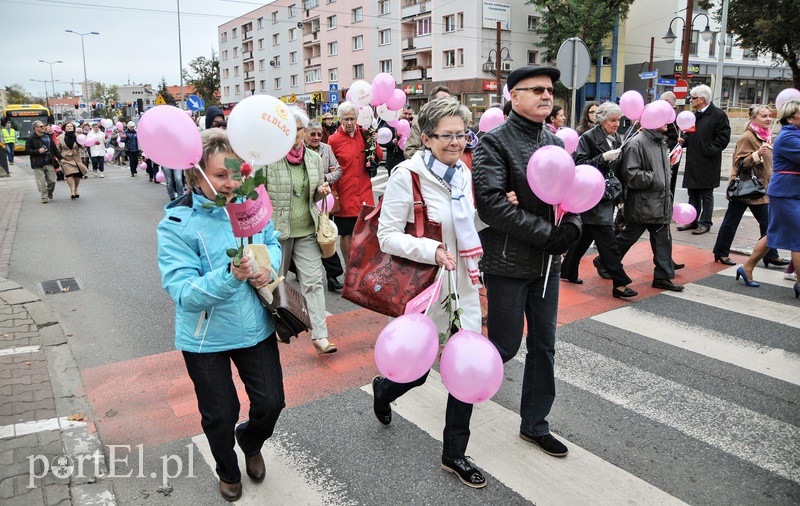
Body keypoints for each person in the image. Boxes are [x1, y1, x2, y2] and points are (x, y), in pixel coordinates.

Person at [157, 128, 284, 502]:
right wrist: (230, 276)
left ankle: (251, 439)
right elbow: (181, 291)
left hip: (255, 327)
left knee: (271, 403)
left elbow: (273, 244)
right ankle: (227, 471)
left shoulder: (252, 206)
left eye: (238, 173)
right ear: (197, 175)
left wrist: (268, 268)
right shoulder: (176, 225)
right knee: (220, 414)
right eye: (221, 175)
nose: (233, 183)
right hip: (204, 337)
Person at [372, 97, 488, 488]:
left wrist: (490, 214)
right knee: (418, 372)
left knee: (466, 369)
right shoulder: (408, 175)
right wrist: (431, 250)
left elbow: (466, 225)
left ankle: (454, 453)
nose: (456, 142)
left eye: (462, 134)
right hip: (428, 288)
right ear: (426, 137)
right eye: (447, 136)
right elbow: (386, 236)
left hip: (465, 285)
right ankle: (385, 388)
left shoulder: (463, 173)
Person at [474, 66, 581, 458]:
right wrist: (548, 234)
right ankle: (451, 394)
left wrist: (572, 226)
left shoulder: (556, 141)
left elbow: (574, 192)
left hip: (547, 267)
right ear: (513, 96)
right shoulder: (494, 143)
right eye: (535, 89)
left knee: (544, 345)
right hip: (508, 263)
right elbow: (494, 205)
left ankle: (535, 424)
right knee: (502, 348)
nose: (546, 96)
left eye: (550, 90)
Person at [265, 108, 336, 355]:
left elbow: (315, 191)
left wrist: (322, 190)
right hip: (277, 232)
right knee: (273, 284)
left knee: (314, 282)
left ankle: (320, 335)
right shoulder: (270, 159)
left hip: (307, 229)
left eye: (298, 129)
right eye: (289, 128)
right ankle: (268, 330)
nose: (294, 134)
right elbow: (259, 194)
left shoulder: (314, 159)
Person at [561, 102, 637, 298]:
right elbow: (579, 164)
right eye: (612, 120)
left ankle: (567, 270)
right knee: (608, 242)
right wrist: (603, 157)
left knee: (586, 234)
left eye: (618, 119)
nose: (617, 124)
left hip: (607, 195)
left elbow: (617, 171)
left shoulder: (616, 138)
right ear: (602, 120)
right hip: (593, 195)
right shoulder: (588, 137)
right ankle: (620, 283)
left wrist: (620, 195)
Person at [737, 99, 800, 299]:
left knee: (773, 234)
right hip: (785, 194)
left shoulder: (794, 134)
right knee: (797, 240)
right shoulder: (788, 137)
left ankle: (746, 267)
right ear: (791, 118)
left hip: (790, 192)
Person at [713, 105, 786, 267]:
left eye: (769, 115)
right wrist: (756, 155)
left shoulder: (765, 136)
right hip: (745, 188)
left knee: (767, 223)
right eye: (763, 116)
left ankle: (771, 255)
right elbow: (739, 163)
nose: (768, 119)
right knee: (731, 222)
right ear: (753, 119)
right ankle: (721, 252)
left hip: (760, 188)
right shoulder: (748, 137)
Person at [616, 122, 684, 292]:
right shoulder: (637, 142)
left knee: (663, 240)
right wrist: (655, 179)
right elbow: (630, 174)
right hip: (644, 203)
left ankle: (662, 276)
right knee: (628, 237)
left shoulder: (660, 142)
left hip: (658, 202)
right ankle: (605, 260)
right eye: (663, 120)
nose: (667, 123)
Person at [328, 101, 383, 266]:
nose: (350, 123)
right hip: (345, 193)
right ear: (340, 120)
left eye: (352, 119)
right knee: (346, 234)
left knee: (366, 233)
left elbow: (378, 156)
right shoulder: (334, 140)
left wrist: (374, 141)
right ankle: (349, 266)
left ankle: (364, 266)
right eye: (346, 119)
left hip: (365, 192)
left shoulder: (365, 134)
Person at [677, 84, 731, 235]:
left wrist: (709, 150)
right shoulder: (694, 115)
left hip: (708, 162)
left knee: (706, 195)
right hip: (693, 161)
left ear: (702, 99)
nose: (691, 100)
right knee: (692, 193)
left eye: (693, 98)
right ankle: (691, 221)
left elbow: (723, 138)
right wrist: (684, 141)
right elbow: (690, 134)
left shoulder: (718, 115)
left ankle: (705, 223)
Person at [305, 121, 344, 292]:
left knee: (326, 237)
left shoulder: (326, 149)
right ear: (305, 133)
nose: (316, 138)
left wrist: (324, 179)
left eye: (319, 134)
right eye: (312, 134)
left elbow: (338, 170)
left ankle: (332, 276)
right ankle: (297, 268)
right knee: (305, 239)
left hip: (323, 201)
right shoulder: (298, 150)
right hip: (304, 201)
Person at [404, 86, 452, 158]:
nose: (448, 104)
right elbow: (410, 151)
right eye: (443, 101)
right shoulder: (420, 122)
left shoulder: (455, 122)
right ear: (433, 104)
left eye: (450, 101)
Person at [25, 121, 60, 204]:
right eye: (40, 126)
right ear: (35, 128)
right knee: (41, 182)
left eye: (43, 126)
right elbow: (27, 151)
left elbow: (54, 149)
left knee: (52, 181)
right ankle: (44, 197)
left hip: (49, 161)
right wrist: (38, 151)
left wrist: (60, 158)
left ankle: (49, 191)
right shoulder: (30, 138)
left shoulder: (48, 137)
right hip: (37, 163)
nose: (43, 127)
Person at [56, 122, 89, 199]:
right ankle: (72, 191)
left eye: (71, 126)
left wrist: (84, 146)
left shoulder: (78, 136)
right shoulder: (60, 137)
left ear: (74, 128)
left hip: (76, 158)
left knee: (77, 175)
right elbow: (58, 149)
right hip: (66, 159)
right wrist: (60, 159)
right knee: (69, 175)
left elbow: (82, 146)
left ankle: (76, 189)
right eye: (68, 126)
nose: (70, 127)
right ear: (64, 128)